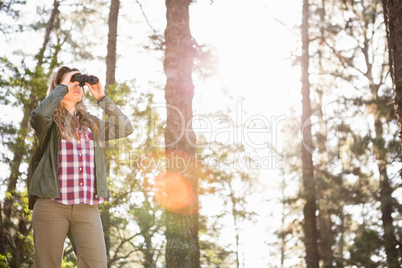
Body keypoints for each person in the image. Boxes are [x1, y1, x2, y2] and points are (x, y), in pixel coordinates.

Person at [28, 66, 133, 267]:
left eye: (79, 84)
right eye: (71, 83)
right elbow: (39, 116)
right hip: (52, 203)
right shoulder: (48, 123)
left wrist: (101, 97)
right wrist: (62, 88)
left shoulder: (90, 124)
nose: (77, 87)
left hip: (87, 206)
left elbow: (125, 127)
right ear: (59, 87)